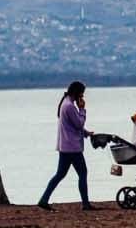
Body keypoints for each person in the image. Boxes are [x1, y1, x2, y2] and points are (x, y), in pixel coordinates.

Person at [38, 80, 94, 211]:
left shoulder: (65, 103)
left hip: (65, 147)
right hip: (72, 147)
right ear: (77, 93)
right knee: (83, 173)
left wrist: (86, 133)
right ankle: (85, 204)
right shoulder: (69, 106)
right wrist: (82, 109)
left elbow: (72, 125)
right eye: (82, 94)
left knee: (60, 174)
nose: (83, 97)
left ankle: (44, 199)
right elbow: (78, 123)